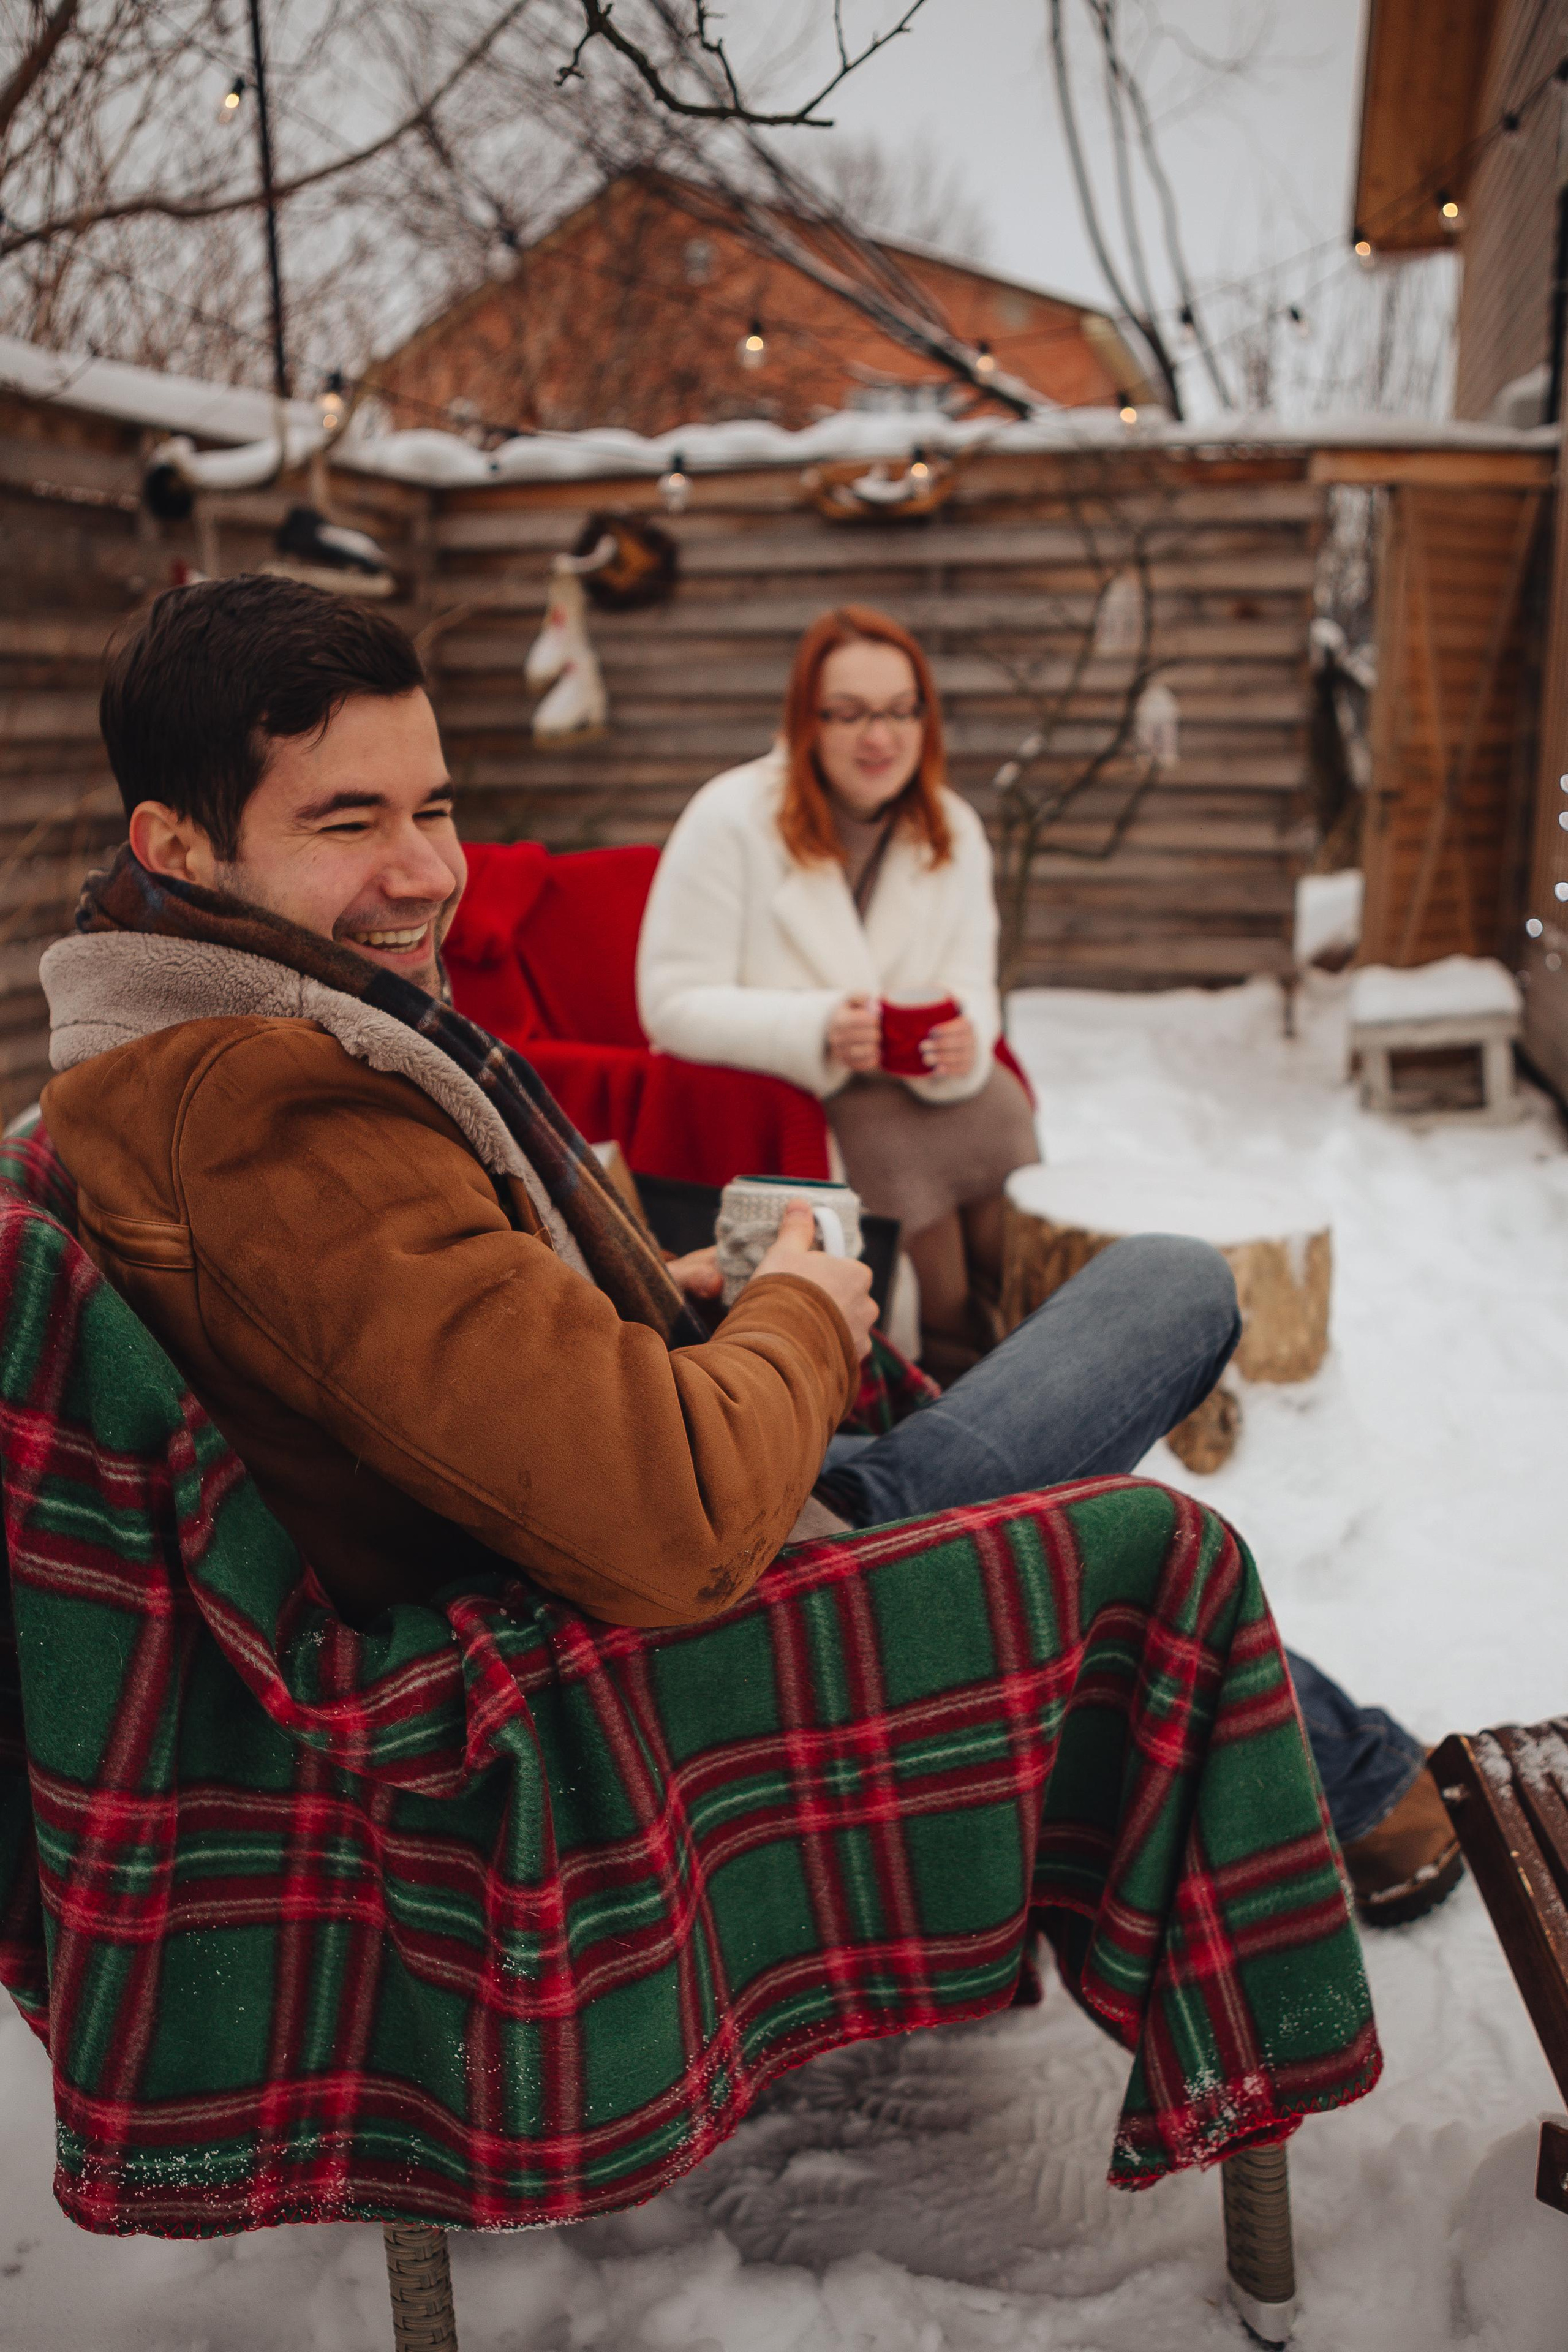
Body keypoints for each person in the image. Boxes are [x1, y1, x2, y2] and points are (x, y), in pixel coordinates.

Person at [36, 575, 1457, 1927]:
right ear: (176, 845)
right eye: (349, 821)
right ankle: (1368, 1782)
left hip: (640, 1511)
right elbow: (671, 1525)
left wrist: (651, 1299)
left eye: (435, 805)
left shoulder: (218, 1055)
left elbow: (437, 1349)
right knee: (1170, 1301)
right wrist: (793, 1312)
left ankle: (1367, 1779)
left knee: (1099, 1287)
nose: (426, 869)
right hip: (698, 1622)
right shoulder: (269, 1112)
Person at [637, 605, 1035, 1381]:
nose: (878, 737)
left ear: (925, 719)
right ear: (806, 721)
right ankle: (940, 1382)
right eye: (849, 714)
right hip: (820, 1102)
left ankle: (1025, 1363)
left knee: (1008, 1152)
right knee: (923, 1239)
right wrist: (815, 1027)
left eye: (897, 711)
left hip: (944, 1097)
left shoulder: (950, 827)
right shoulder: (732, 819)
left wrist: (966, 1033)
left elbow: (971, 982)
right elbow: (670, 1000)